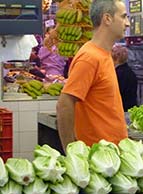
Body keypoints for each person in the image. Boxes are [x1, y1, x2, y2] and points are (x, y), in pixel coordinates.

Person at [56, 0, 130, 149]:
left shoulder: (104, 54)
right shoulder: (90, 58)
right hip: (97, 155)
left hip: (110, 154)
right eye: (123, 17)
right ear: (107, 19)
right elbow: (64, 104)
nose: (127, 23)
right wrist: (72, 151)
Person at [112, 45, 138, 111]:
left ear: (115, 58)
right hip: (131, 108)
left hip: (121, 109)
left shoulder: (116, 74)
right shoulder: (130, 72)